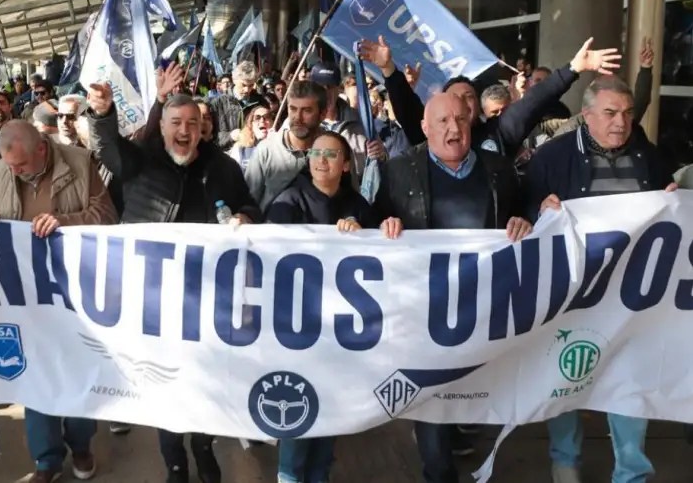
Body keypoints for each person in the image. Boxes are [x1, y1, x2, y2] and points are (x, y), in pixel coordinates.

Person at [86, 86, 261, 483]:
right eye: (176, 123)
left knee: (205, 377)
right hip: (151, 297)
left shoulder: (223, 167)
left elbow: (250, 204)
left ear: (203, 129)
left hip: (207, 298)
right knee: (163, 381)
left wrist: (247, 217)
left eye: (192, 124)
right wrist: (102, 111)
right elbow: (108, 149)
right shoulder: (139, 161)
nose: (185, 131)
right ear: (162, 126)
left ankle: (203, 445)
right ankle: (175, 463)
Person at [524, 76, 677, 483]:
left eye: (627, 113)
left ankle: (631, 472)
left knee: (631, 382)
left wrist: (674, 198)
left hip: (633, 297)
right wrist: (539, 206)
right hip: (574, 295)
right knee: (567, 374)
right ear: (586, 115)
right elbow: (522, 210)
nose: (621, 122)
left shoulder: (649, 155)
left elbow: (668, 205)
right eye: (610, 113)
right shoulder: (552, 159)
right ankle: (565, 462)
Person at [375, 92, 532, 483]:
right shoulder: (399, 171)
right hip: (423, 311)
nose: (453, 128)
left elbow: (524, 209)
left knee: (473, 395)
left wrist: (526, 219)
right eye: (442, 121)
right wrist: (384, 224)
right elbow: (375, 217)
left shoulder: (499, 169)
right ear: (425, 129)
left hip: (484, 310)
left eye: (460, 120)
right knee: (432, 409)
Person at [0, 120, 118, 482]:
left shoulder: (81, 164)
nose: (15, 172)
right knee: (34, 376)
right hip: (24, 296)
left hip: (74, 296)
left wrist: (63, 222)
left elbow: (107, 217)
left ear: (42, 149)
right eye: (10, 167)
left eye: (21, 165)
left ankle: (81, 443)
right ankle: (46, 459)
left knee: (77, 371)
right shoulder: (2, 169)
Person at [265, 131, 380, 483]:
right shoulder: (289, 200)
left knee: (329, 417)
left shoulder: (358, 205)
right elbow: (270, 254)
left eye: (331, 154)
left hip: (340, 336)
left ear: (346, 165)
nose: (321, 160)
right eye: (316, 153)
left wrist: (364, 236)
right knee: (297, 423)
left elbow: (387, 254)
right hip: (297, 331)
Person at [358, 35, 621, 158]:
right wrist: (389, 71)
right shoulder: (425, 138)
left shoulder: (499, 133)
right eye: (454, 98)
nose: (461, 103)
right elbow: (407, 108)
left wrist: (573, 69)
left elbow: (533, 102)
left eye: (469, 97)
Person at [245, 80, 325, 212]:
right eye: (293, 109)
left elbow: (350, 201)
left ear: (322, 114)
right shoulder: (266, 150)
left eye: (307, 111)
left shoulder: (334, 149)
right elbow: (248, 203)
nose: (298, 118)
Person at [209, 60, 260, 150]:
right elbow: (210, 136)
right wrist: (230, 136)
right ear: (234, 80)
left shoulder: (260, 102)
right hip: (226, 156)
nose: (247, 90)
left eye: (251, 85)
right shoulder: (218, 103)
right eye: (243, 85)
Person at [229, 101, 273, 170]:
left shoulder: (280, 147)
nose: (262, 120)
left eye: (266, 117)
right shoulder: (240, 148)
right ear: (251, 124)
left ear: (272, 123)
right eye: (257, 118)